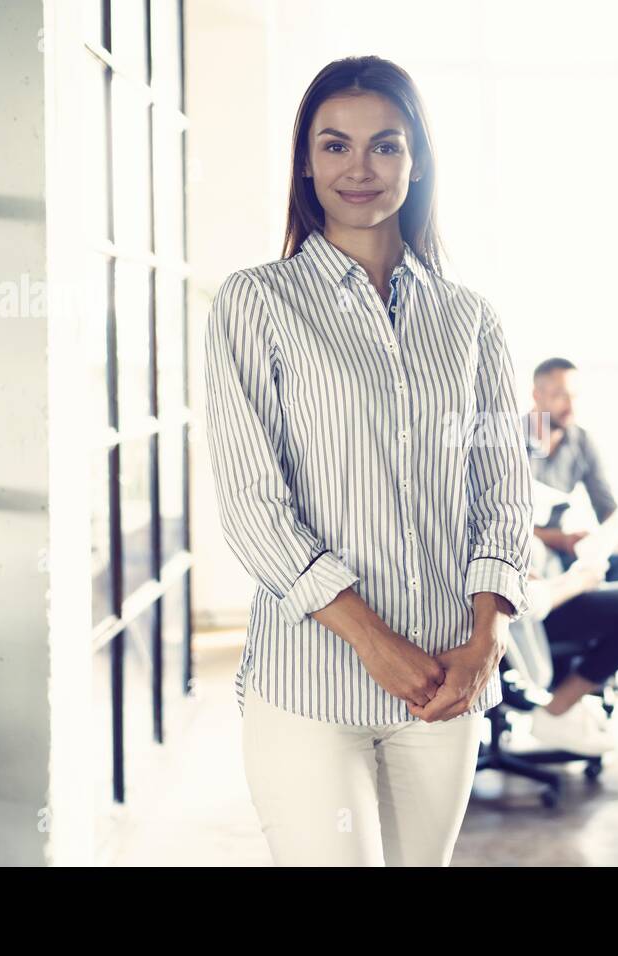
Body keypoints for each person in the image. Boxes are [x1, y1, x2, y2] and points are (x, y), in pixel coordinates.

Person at [203, 56, 534, 867]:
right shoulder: (256, 303)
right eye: (335, 145)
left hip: (447, 684)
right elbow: (252, 505)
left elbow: (502, 494)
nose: (359, 168)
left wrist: (488, 634)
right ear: (305, 163)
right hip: (312, 690)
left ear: (416, 161)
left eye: (384, 146)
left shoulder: (470, 320)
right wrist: (373, 642)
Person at [517, 534, 618, 756]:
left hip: (552, 567)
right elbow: (530, 601)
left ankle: (587, 671)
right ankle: (558, 708)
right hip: (539, 611)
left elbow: (609, 513)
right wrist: (578, 581)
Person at [524, 357, 618, 581]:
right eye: (561, 396)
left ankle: (600, 602)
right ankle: (584, 600)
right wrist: (559, 539)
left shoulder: (581, 441)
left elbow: (605, 509)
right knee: (538, 556)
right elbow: (498, 522)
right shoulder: (509, 441)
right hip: (530, 546)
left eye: (574, 396)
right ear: (537, 395)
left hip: (568, 549)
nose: (571, 406)